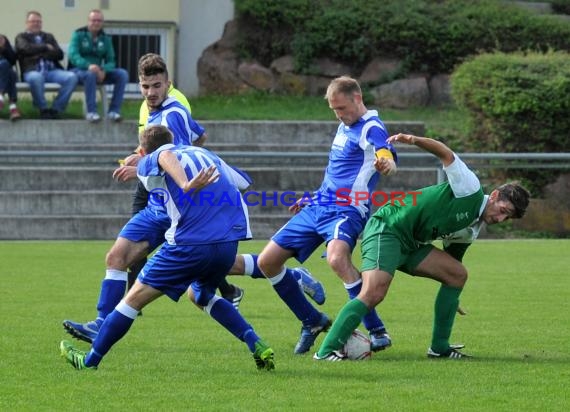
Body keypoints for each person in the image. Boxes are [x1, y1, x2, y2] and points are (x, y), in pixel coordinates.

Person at [60, 125, 275, 371]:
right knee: (200, 295)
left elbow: (164, 155)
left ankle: (89, 362)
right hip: (227, 243)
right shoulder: (206, 155)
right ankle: (256, 343)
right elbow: (243, 182)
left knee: (133, 299)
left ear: (142, 150)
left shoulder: (154, 156)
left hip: (189, 245)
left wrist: (184, 184)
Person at [315, 133, 530, 361]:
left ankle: (439, 348)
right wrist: (413, 140)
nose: (500, 219)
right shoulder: (470, 189)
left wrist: (451, 297)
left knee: (457, 275)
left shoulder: (471, 230)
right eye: (503, 211)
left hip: (411, 243)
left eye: (508, 218)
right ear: (495, 196)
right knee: (374, 292)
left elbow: (451, 267)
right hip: (387, 228)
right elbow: (446, 154)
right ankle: (325, 352)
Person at [239, 75, 397, 355]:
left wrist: (387, 162)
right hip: (319, 205)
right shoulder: (343, 126)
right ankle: (311, 320)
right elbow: (336, 172)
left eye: (342, 109)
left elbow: (384, 149)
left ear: (357, 98)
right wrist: (313, 196)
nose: (339, 115)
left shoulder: (370, 126)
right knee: (267, 262)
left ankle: (376, 330)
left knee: (337, 258)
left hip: (347, 208)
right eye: (334, 110)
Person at [62, 53, 208, 343]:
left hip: (175, 210)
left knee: (214, 274)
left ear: (168, 83)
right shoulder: (154, 109)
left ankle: (287, 276)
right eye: (145, 86)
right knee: (117, 257)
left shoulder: (172, 114)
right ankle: (101, 323)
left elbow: (170, 157)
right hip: (158, 205)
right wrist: (140, 154)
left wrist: (140, 166)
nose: (150, 92)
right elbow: (199, 137)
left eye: (156, 86)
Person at [15, 10, 78, 119]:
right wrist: (45, 47)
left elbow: (59, 54)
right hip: (32, 71)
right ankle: (43, 109)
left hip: (52, 71)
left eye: (38, 22)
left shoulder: (49, 36)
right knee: (37, 77)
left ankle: (55, 109)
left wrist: (39, 53)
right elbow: (25, 49)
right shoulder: (21, 37)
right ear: (27, 23)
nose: (36, 24)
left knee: (72, 77)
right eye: (33, 21)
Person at [68, 9, 128, 122]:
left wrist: (104, 70)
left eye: (99, 20)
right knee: (90, 74)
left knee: (122, 74)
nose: (96, 23)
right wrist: (88, 66)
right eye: (93, 20)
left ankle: (114, 111)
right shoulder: (78, 34)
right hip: (78, 71)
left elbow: (111, 60)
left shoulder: (106, 38)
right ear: (88, 21)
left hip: (98, 72)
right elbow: (73, 55)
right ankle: (91, 112)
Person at [0, 34, 22, 121]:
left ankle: (1, 98)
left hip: (4, 77)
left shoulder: (7, 49)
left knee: (10, 72)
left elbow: (12, 61)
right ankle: (13, 107)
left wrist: (3, 49)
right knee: (7, 68)